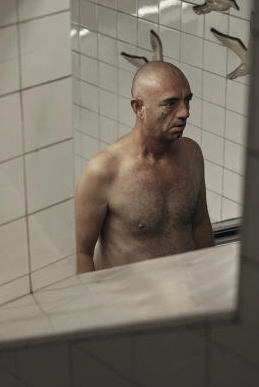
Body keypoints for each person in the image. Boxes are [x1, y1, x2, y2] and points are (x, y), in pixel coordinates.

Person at [74, 61, 214, 273]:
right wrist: (95, 304)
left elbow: (200, 224)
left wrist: (210, 281)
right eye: (170, 103)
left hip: (187, 294)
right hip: (129, 301)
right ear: (138, 107)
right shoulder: (104, 170)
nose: (185, 112)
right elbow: (80, 252)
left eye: (187, 100)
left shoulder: (192, 154)